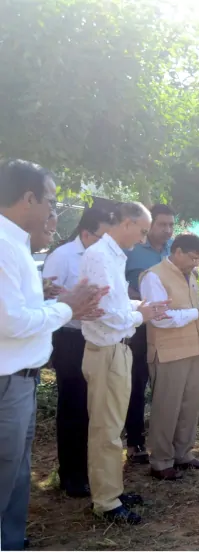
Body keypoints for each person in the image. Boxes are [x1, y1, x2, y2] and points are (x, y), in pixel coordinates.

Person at [0, 159, 105, 550]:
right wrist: (68, 308)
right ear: (28, 198)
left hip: (19, 381)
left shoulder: (16, 246)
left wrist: (46, 298)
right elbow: (10, 323)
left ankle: (12, 540)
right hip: (6, 382)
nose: (54, 213)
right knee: (5, 471)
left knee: (17, 473)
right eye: (51, 201)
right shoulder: (3, 246)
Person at [80, 202, 170, 524]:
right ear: (128, 223)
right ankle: (105, 502)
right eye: (144, 230)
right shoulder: (99, 256)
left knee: (114, 427)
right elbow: (105, 313)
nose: (144, 237)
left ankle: (112, 491)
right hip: (106, 351)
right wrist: (140, 315)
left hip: (118, 350)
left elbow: (114, 303)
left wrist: (140, 306)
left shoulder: (114, 256)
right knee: (105, 430)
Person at [42, 207, 113, 497]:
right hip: (71, 340)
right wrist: (79, 310)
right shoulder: (61, 257)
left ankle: (90, 471)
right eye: (102, 236)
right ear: (86, 233)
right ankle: (71, 476)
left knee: (94, 407)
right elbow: (48, 301)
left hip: (96, 338)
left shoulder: (104, 256)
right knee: (73, 408)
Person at [139, 233, 199, 480]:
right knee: (166, 408)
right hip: (167, 352)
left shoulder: (190, 276)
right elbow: (160, 319)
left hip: (192, 349)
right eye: (193, 258)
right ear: (178, 251)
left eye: (198, 259)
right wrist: (198, 313)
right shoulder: (154, 276)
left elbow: (188, 308)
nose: (195, 263)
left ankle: (183, 454)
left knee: (189, 407)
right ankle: (161, 462)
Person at [123, 203, 175, 465]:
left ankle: (163, 441)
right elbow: (118, 287)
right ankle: (135, 441)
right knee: (137, 382)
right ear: (149, 225)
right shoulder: (131, 251)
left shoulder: (173, 250)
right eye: (162, 225)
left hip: (169, 326)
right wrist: (140, 298)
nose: (167, 230)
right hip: (139, 326)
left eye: (171, 225)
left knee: (165, 383)